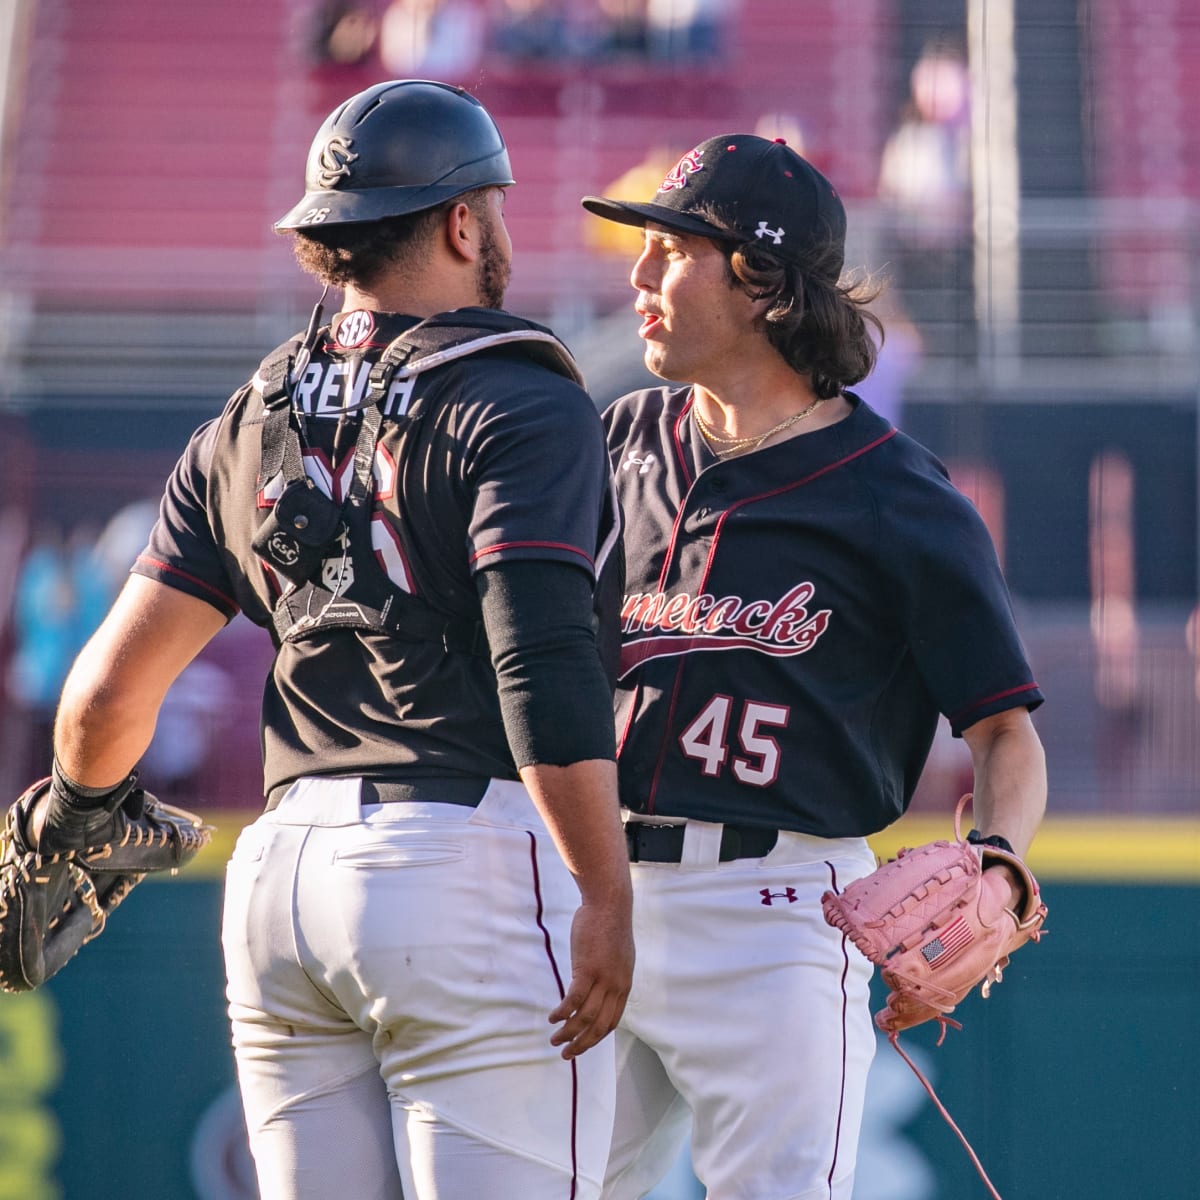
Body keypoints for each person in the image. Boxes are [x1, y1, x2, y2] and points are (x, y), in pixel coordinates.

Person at [27, 79, 633, 1200]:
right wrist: (606, 886)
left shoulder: (245, 421)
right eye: (490, 205)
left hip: (279, 879)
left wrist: (70, 815)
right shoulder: (516, 396)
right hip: (466, 859)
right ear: (462, 221)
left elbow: (108, 697)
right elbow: (539, 661)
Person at [580, 134, 1047, 1199]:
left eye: (669, 249)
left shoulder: (899, 496)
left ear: (758, 277)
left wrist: (1004, 863)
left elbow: (1005, 731)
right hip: (597, 890)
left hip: (778, 910)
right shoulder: (620, 441)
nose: (639, 276)